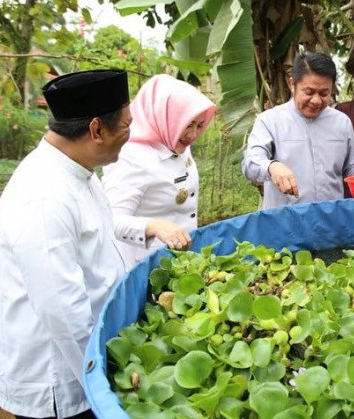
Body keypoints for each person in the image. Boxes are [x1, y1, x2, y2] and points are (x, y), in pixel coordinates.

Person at [0, 70, 131, 419]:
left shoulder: (80, 173)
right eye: (125, 127)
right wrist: (101, 379)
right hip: (59, 379)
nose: (129, 137)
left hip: (89, 354)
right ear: (96, 130)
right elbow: (62, 310)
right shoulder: (44, 195)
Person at [101, 75, 217, 270]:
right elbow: (111, 220)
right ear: (166, 117)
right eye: (187, 124)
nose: (193, 134)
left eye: (198, 125)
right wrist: (154, 226)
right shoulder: (131, 157)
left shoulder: (173, 140)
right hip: (146, 266)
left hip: (182, 261)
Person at [242, 51, 354, 209]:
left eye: (324, 93)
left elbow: (351, 165)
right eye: (309, 92)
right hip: (286, 223)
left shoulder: (341, 122)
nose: (316, 100)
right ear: (292, 84)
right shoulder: (269, 121)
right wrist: (271, 166)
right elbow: (250, 164)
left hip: (331, 220)